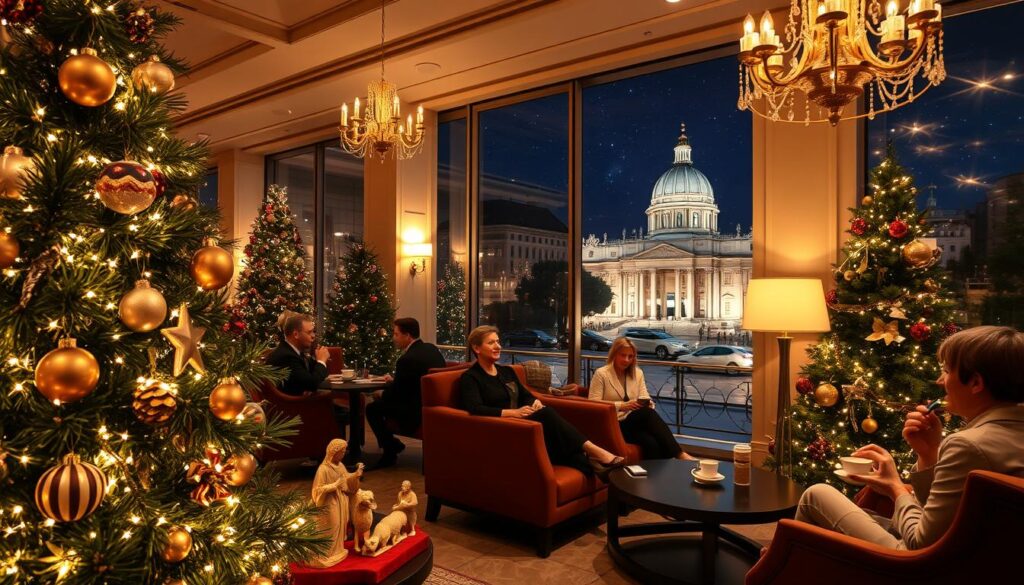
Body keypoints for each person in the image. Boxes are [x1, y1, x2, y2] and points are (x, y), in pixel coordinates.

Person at [793, 325, 1024, 550]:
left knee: (817, 495)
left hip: (919, 568)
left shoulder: (969, 445)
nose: (939, 381)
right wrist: (929, 452)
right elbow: (937, 515)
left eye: (946, 370)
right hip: (978, 555)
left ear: (975, 383)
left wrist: (896, 488)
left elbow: (919, 542)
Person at [459, 325, 625, 476]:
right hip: (503, 429)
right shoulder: (471, 377)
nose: (498, 346)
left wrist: (533, 402)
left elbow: (526, 395)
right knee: (546, 414)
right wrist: (512, 413)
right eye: (491, 343)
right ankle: (595, 451)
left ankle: (598, 467)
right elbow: (475, 408)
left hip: (525, 425)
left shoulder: (506, 372)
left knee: (578, 459)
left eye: (498, 341)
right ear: (476, 348)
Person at [588, 337, 694, 460]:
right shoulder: (601, 374)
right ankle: (679, 454)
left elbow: (644, 396)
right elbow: (593, 404)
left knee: (651, 443)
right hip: (613, 424)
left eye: (630, 356)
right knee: (647, 414)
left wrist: (648, 404)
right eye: (623, 355)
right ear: (614, 354)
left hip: (634, 423)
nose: (626, 360)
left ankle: (654, 477)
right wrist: (622, 406)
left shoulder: (637, 373)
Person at [366, 317, 446, 469]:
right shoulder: (431, 349)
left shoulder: (407, 359)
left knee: (372, 409)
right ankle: (393, 445)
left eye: (396, 334)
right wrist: (394, 381)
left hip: (414, 411)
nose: (393, 338)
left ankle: (390, 450)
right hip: (432, 405)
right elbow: (412, 381)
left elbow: (398, 394)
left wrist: (381, 393)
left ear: (407, 335)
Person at [266, 313, 348, 440]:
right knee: (337, 410)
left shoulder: (295, 352)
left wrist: (318, 362)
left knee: (341, 410)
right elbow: (312, 382)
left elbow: (318, 374)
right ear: (296, 334)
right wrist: (321, 361)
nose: (313, 336)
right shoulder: (286, 356)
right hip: (290, 409)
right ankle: (331, 453)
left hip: (294, 403)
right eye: (309, 332)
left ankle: (335, 451)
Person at [308, 439, 364, 567]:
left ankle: (337, 551)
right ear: (334, 452)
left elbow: (346, 479)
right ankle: (324, 554)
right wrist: (334, 485)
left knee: (340, 525)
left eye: (344, 451)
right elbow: (317, 490)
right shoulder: (323, 469)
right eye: (341, 452)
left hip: (340, 502)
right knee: (331, 526)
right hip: (329, 503)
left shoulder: (340, 466)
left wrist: (356, 475)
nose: (343, 454)